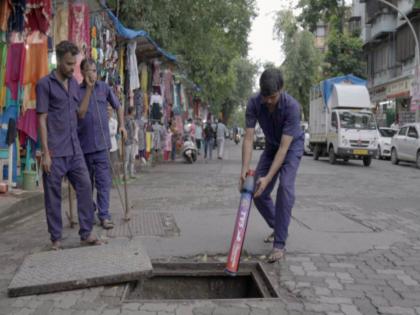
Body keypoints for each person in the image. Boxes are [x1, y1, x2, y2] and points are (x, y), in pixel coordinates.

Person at [36, 41, 100, 249]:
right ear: (58, 60)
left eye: (74, 64)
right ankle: (55, 238)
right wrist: (45, 153)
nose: (73, 68)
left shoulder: (74, 84)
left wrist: (89, 90)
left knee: (85, 186)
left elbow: (80, 113)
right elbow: (42, 119)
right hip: (54, 151)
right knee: (53, 195)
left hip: (74, 149)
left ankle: (86, 232)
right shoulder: (44, 84)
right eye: (69, 64)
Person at [240, 68, 304, 262]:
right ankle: (279, 227)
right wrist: (244, 170)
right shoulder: (253, 103)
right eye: (265, 96)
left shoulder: (292, 107)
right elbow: (249, 139)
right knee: (256, 190)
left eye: (273, 97)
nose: (268, 101)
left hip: (291, 147)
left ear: (282, 89)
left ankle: (279, 243)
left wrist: (268, 178)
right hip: (270, 146)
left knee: (285, 187)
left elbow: (284, 149)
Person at [78, 59, 126, 230]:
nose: (92, 73)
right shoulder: (77, 91)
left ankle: (104, 215)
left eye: (94, 70)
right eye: (88, 70)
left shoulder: (104, 88)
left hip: (102, 145)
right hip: (83, 147)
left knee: (103, 182)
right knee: (85, 185)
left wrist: (121, 125)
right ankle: (90, 210)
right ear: (82, 72)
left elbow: (118, 106)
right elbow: (77, 115)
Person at [124, 107, 137, 178]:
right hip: (127, 141)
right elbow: (124, 129)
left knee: (132, 157)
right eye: (134, 111)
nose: (135, 112)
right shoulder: (126, 119)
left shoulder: (133, 120)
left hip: (132, 140)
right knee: (126, 158)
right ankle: (125, 174)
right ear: (131, 111)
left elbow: (134, 129)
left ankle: (131, 173)